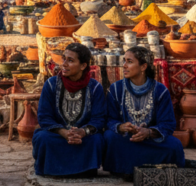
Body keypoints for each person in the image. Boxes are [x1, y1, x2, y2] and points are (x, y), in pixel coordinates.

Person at [103, 46, 184, 178]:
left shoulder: (160, 90)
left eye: (129, 61)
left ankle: (132, 169)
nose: (124, 66)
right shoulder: (116, 89)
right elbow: (109, 119)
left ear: (143, 67)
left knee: (175, 145)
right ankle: (124, 169)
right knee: (109, 137)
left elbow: (168, 123)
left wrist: (149, 132)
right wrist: (121, 126)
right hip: (126, 138)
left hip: (150, 140)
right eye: (124, 61)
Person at [32, 43, 106, 177]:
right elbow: (44, 117)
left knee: (97, 140)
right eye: (64, 59)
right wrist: (63, 132)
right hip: (57, 135)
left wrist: (82, 132)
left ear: (83, 66)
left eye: (70, 61)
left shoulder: (95, 88)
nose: (64, 64)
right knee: (42, 137)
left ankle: (85, 170)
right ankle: (52, 169)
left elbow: (99, 119)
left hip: (83, 137)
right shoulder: (51, 84)